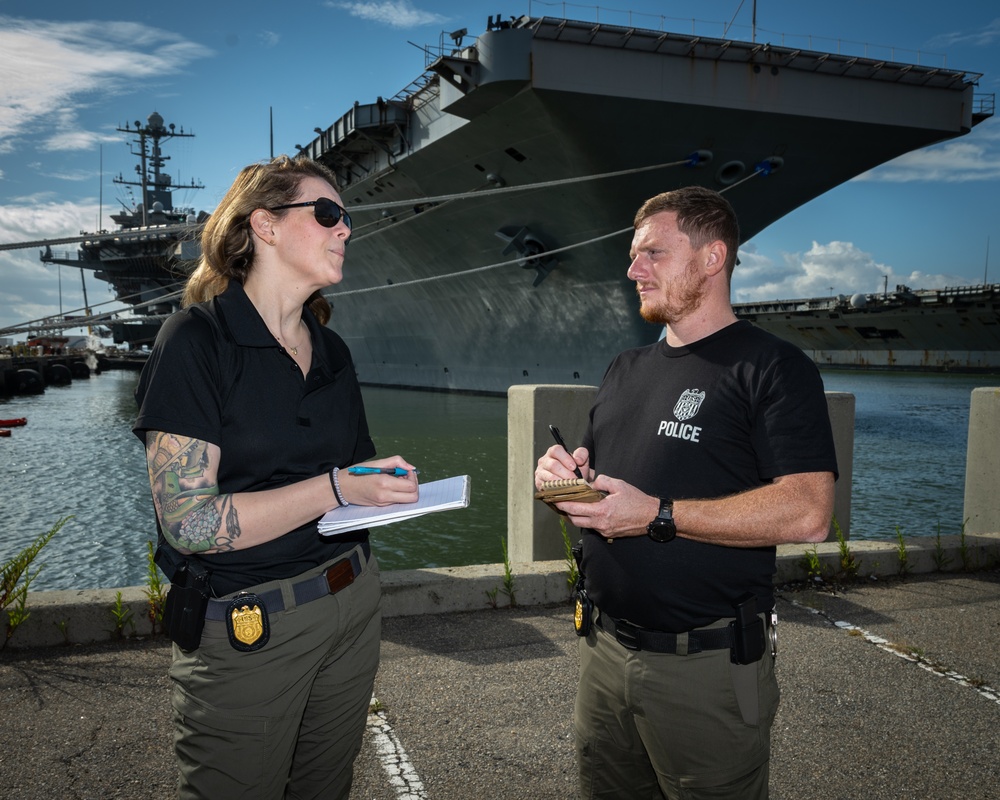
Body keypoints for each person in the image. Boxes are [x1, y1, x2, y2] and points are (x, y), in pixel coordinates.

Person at [535, 185, 837, 799]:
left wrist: (656, 516)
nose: (632, 270)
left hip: (706, 670)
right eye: (632, 254)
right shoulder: (625, 367)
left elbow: (809, 512)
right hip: (602, 652)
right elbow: (601, 482)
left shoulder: (772, 368)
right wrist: (561, 477)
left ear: (711, 258)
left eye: (653, 254)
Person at [134, 154, 419, 799]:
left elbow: (352, 467)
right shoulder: (196, 342)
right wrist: (341, 487)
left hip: (351, 600)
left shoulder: (332, 347)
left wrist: (384, 481)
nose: (345, 228)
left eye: (345, 218)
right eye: (327, 214)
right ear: (264, 225)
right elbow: (191, 524)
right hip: (248, 628)